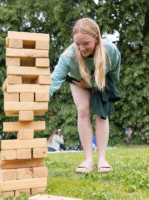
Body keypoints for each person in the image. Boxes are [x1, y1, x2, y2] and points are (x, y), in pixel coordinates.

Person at [50, 18, 121, 173]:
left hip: (100, 80)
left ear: (96, 39)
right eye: (77, 44)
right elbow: (53, 80)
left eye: (86, 43)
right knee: (83, 110)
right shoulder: (68, 56)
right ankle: (88, 160)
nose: (81, 48)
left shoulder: (110, 50)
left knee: (100, 114)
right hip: (78, 82)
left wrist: (98, 85)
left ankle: (102, 160)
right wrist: (34, 96)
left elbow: (114, 74)